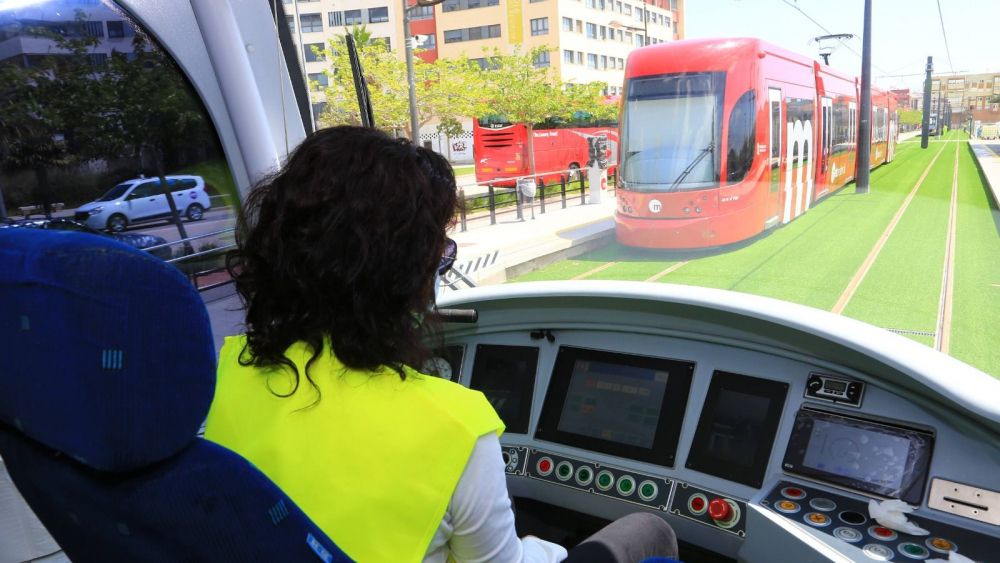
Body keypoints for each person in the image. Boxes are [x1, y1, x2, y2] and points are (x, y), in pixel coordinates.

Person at [205, 126, 678, 562]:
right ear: (404, 276)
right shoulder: (458, 430)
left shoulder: (223, 378)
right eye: (438, 253)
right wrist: (549, 551)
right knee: (649, 530)